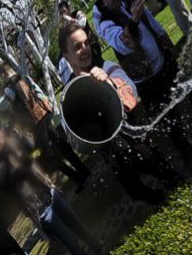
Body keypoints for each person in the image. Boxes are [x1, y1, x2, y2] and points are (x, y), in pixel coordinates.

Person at [59, 23, 179, 205]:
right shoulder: (69, 92)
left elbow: (132, 94)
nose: (85, 50)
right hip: (114, 159)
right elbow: (76, 140)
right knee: (137, 192)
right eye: (77, 47)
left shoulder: (106, 66)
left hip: (139, 143)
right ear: (66, 56)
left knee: (167, 174)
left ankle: (180, 195)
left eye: (85, 43)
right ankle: (162, 202)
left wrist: (109, 84)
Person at [93, 0, 192, 167]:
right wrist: (133, 18)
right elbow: (122, 43)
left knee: (189, 86)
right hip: (145, 77)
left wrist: (163, 36)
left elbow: (148, 18)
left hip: (162, 59)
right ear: (103, 0)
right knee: (166, 114)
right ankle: (187, 154)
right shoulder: (104, 22)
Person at [0, 126, 102, 255]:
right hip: (39, 210)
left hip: (51, 194)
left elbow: (32, 157)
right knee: (70, 242)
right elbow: (12, 185)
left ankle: (99, 248)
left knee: (78, 225)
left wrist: (50, 184)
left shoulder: (10, 146)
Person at [0, 65, 90, 191]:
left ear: (5, 75)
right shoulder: (23, 78)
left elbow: (2, 106)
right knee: (60, 144)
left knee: (47, 155)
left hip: (36, 122)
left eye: (4, 74)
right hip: (44, 115)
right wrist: (47, 104)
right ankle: (83, 171)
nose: (4, 76)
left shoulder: (10, 88)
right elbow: (37, 90)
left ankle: (78, 177)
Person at [57, 1, 103, 82]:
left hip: (91, 47)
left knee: (100, 67)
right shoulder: (65, 26)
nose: (63, 15)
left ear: (68, 9)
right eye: (61, 13)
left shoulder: (77, 14)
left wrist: (71, 19)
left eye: (64, 11)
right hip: (81, 55)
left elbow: (82, 23)